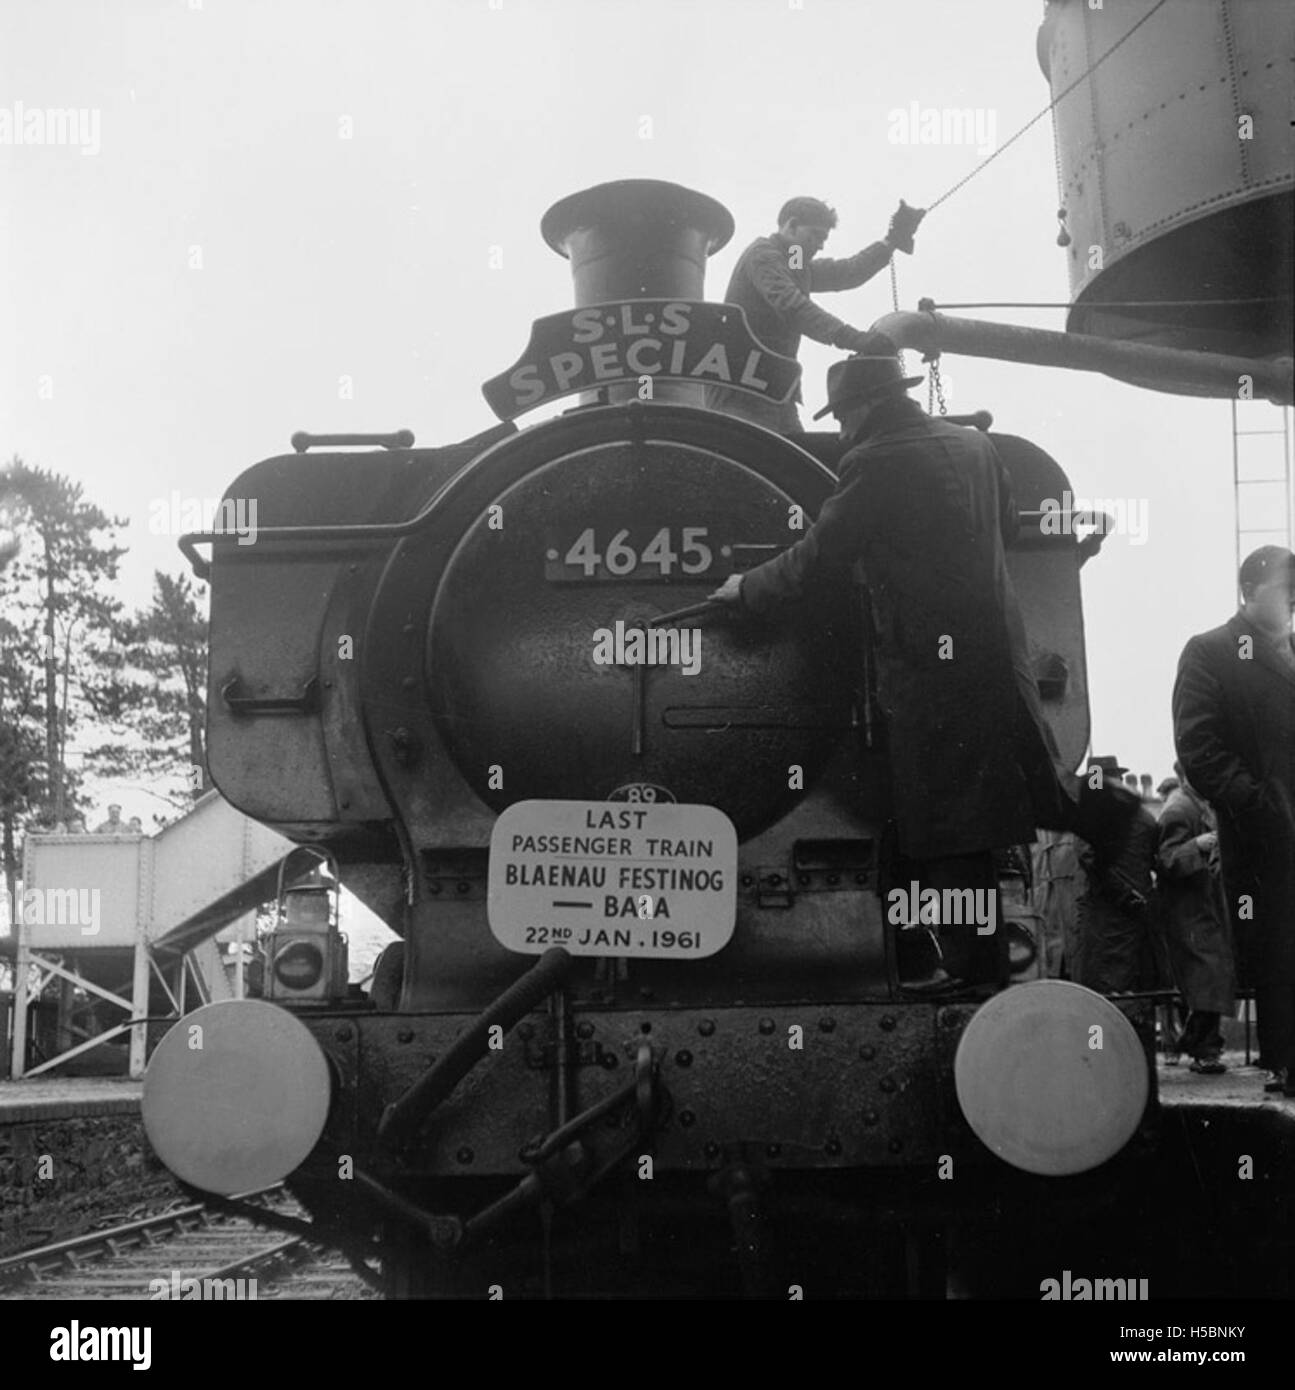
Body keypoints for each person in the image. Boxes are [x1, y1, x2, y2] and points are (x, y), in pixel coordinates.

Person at [709, 354, 1074, 990]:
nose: (843, 429)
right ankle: (957, 966)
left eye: (845, 415)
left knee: (949, 830)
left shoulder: (874, 461)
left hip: (933, 680)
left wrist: (746, 590)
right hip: (996, 668)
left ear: (867, 406)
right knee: (972, 828)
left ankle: (970, 979)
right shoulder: (976, 446)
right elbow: (1008, 524)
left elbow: (818, 558)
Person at [1173, 545, 1295, 1097]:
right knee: (1280, 945)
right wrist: (1257, 802)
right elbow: (1197, 745)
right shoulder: (1211, 652)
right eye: (1286, 586)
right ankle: (1288, 1062)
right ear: (1250, 590)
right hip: (1264, 836)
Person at [704, 196, 925, 431]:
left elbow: (844, 273)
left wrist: (889, 242)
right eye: (816, 235)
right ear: (791, 225)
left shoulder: (794, 257)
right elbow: (792, 305)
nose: (820, 245)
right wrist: (854, 338)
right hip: (741, 395)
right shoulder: (763, 255)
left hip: (774, 391)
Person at [1156, 761, 1236, 1072]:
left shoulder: (1199, 804)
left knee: (1212, 976)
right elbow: (1166, 860)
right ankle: (1204, 1049)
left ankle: (1196, 1043)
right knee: (1208, 975)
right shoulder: (1178, 809)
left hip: (1204, 906)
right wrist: (1197, 845)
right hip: (1189, 911)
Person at [1071, 756, 1161, 994]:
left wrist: (1124, 895)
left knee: (1104, 987)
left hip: (1107, 913)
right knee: (1132, 983)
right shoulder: (1143, 816)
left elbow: (1089, 860)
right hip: (1134, 914)